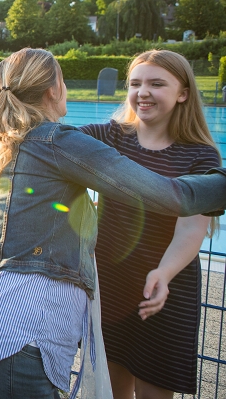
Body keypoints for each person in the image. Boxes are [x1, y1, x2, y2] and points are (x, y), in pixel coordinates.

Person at [0, 48, 226, 399]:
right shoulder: (62, 142)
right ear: (54, 89)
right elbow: (176, 197)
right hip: (15, 335)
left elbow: (28, 127)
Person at [79, 50, 221, 399]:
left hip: (164, 289)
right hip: (112, 284)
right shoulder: (111, 136)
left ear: (183, 93)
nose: (143, 92)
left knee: (153, 392)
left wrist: (164, 274)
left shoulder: (200, 155)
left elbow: (191, 229)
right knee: (111, 389)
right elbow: (52, 137)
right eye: (135, 84)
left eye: (157, 84)